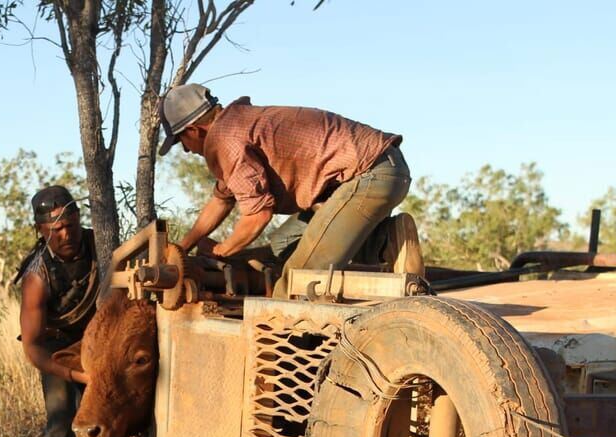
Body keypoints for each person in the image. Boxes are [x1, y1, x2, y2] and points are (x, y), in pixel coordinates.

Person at [158, 83, 421, 295]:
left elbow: (258, 216)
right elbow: (221, 200)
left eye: (180, 140)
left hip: (370, 174)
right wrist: (182, 247)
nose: (184, 149)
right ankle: (388, 240)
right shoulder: (234, 125)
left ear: (193, 130)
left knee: (298, 280)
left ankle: (283, 356)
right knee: (281, 247)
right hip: (379, 168)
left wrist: (222, 250)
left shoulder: (227, 141)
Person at [13, 185, 113, 437]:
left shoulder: (101, 244)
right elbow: (34, 348)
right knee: (60, 428)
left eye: (71, 224)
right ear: (41, 231)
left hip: (99, 342)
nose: (67, 234)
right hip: (57, 350)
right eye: (56, 229)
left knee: (100, 425)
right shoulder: (37, 277)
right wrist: (74, 374)